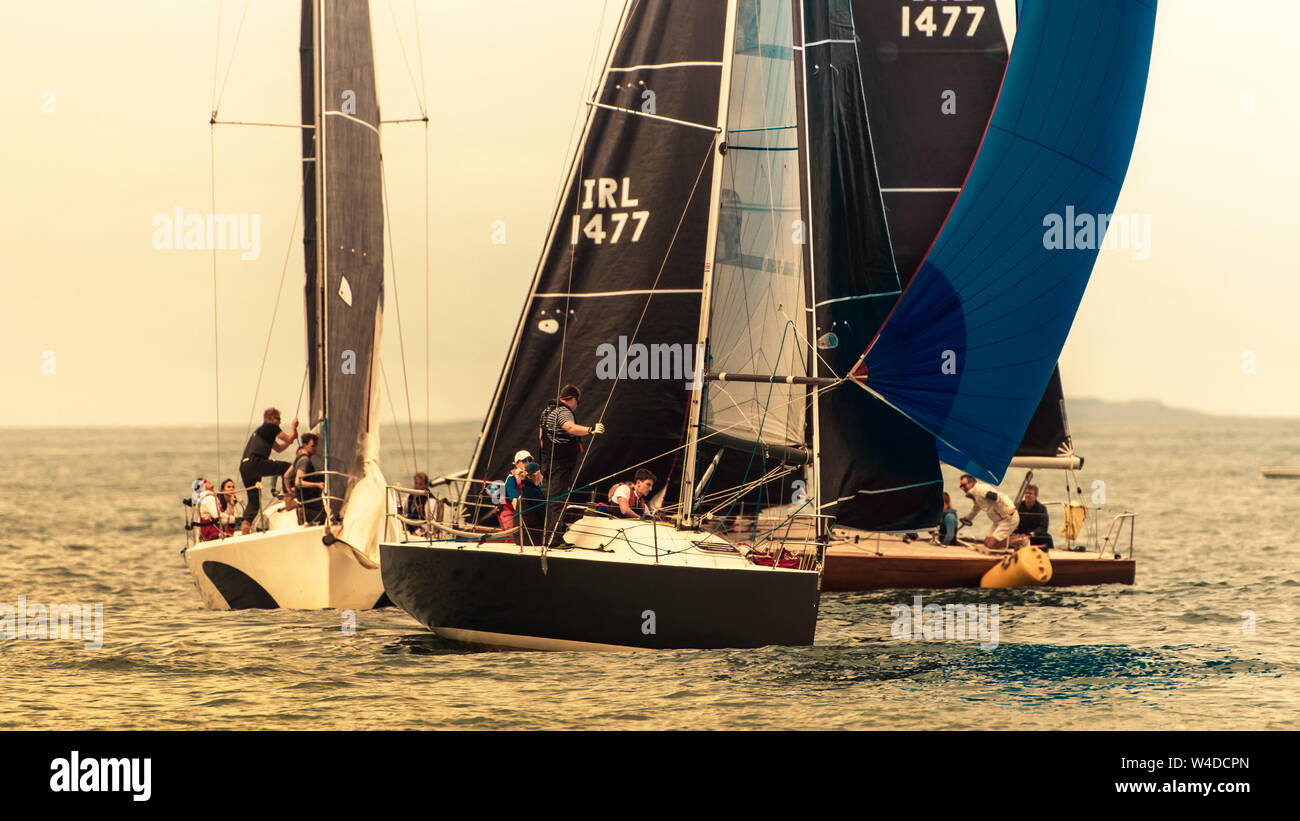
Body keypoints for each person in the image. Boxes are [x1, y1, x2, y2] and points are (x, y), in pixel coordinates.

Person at [537, 384, 604, 544]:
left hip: (547, 462)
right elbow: (569, 427)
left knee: (549, 499)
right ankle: (554, 539)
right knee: (558, 500)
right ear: (573, 399)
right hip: (560, 465)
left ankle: (548, 535)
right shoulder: (564, 411)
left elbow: (541, 436)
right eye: (577, 402)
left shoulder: (546, 411)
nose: (576, 406)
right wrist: (591, 429)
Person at [238, 407, 299, 534]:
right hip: (256, 462)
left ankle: (245, 525)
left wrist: (291, 438)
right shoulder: (271, 427)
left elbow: (280, 448)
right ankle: (289, 499)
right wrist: (294, 428)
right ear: (271, 419)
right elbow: (288, 438)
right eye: (278, 419)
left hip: (245, 467)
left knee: (254, 501)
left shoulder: (262, 431)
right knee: (288, 468)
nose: (280, 422)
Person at [958, 473, 1020, 550]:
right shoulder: (975, 494)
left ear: (972, 483)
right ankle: (1010, 541)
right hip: (998, 521)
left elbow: (1001, 496)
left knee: (991, 545)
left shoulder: (981, 490)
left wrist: (1011, 507)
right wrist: (967, 518)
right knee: (986, 542)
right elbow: (976, 509)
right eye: (961, 486)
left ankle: (1020, 540)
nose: (963, 488)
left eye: (964, 485)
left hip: (1008, 519)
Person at [284, 434, 324, 525]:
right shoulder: (305, 460)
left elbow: (286, 476)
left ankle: (302, 511)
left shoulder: (299, 458)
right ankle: (303, 512)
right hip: (309, 501)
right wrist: (318, 484)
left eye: (316, 446)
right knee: (324, 517)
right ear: (305, 445)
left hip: (303, 500)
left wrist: (290, 492)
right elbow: (298, 482)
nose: (315, 448)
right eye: (313, 446)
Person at [499, 450, 533, 541]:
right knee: (512, 536)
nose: (527, 463)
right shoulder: (511, 478)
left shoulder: (533, 477)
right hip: (509, 511)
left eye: (530, 460)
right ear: (517, 463)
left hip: (525, 511)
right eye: (524, 461)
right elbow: (514, 499)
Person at [1015, 483, 1054, 550]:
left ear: (1036, 495)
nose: (1028, 495)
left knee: (1047, 537)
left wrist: (1033, 533)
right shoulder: (1018, 506)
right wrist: (1020, 534)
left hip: (1035, 535)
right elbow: (1013, 522)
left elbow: (1043, 526)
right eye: (1026, 493)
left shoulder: (1042, 508)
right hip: (1021, 534)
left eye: (1030, 493)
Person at [517, 462, 547, 547]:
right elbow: (544, 513)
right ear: (537, 474)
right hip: (532, 539)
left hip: (523, 537)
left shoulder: (527, 489)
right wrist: (562, 527)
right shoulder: (533, 492)